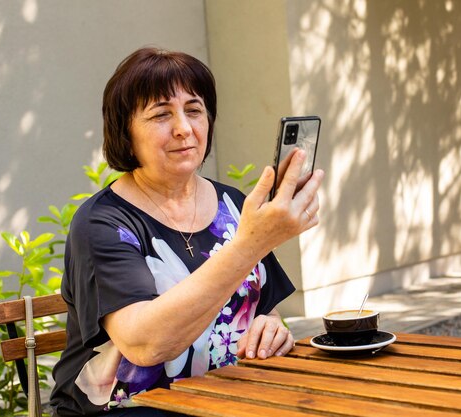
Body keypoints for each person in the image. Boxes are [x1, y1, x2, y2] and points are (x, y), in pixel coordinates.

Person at [49, 47, 323, 416]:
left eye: (194, 110)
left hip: (228, 399)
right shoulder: (103, 222)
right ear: (125, 132)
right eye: (162, 114)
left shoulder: (232, 204)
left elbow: (265, 310)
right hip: (131, 408)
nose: (184, 127)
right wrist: (252, 242)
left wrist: (269, 328)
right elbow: (145, 345)